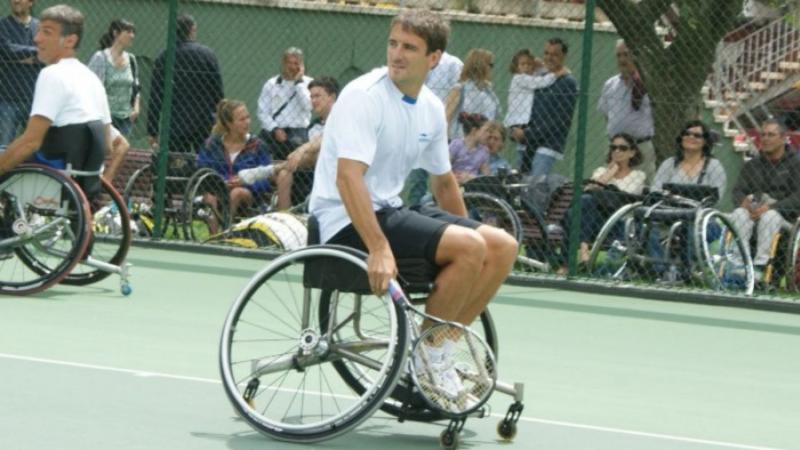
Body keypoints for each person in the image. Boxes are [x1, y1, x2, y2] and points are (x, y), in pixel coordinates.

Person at [308, 10, 517, 398]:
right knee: (470, 248)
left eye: (410, 47)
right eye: (393, 44)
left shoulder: (431, 108)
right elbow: (347, 177)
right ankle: (427, 359)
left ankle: (440, 347)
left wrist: (474, 250)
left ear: (433, 58)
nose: (397, 54)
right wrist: (378, 247)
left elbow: (443, 182)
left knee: (501, 246)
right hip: (344, 220)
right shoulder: (363, 96)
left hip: (391, 210)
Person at [0, 4, 111, 200]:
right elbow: (109, 145)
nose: (36, 39)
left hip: (54, 171)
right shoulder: (91, 78)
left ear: (70, 40)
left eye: (46, 32)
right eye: (38, 31)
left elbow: (30, 142)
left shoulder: (52, 74)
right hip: (84, 176)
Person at [558, 133, 646, 275]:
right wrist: (612, 171)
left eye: (622, 148)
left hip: (617, 223)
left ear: (632, 152)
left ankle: (566, 264)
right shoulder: (600, 171)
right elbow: (590, 190)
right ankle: (584, 251)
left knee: (572, 214)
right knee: (586, 201)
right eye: (614, 147)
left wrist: (602, 188)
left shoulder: (638, 175)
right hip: (594, 222)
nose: (617, 151)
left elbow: (624, 199)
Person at [649, 120, 727, 281]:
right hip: (668, 216)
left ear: (705, 141)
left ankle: (684, 271)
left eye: (697, 135)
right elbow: (655, 190)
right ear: (681, 138)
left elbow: (716, 197)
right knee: (650, 228)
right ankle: (661, 271)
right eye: (687, 134)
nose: (691, 137)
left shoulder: (713, 166)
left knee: (690, 229)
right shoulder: (669, 164)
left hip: (702, 220)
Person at [147, 13, 223, 176]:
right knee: (205, 165)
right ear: (192, 30)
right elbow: (218, 94)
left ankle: (165, 198)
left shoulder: (164, 57)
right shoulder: (208, 55)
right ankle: (203, 197)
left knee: (173, 168)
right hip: (203, 122)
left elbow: (155, 97)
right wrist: (221, 121)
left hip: (175, 124)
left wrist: (152, 130)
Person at [730, 119, 800, 281]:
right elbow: (738, 190)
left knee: (770, 216)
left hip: (786, 218)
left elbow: (798, 197)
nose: (766, 138)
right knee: (739, 213)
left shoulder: (796, 164)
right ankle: (739, 262)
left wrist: (772, 207)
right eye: (763, 134)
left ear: (783, 138)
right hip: (753, 212)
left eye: (771, 135)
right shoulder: (752, 165)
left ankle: (760, 266)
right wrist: (744, 203)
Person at [197, 99, 271, 229]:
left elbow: (266, 177)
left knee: (236, 193)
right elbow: (202, 170)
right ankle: (215, 239)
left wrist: (245, 181)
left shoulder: (258, 145)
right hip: (218, 190)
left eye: (248, 117)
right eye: (241, 120)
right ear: (229, 124)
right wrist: (222, 182)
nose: (247, 122)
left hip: (248, 194)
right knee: (209, 198)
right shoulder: (211, 144)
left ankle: (226, 231)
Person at [511, 38, 578, 177]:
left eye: (554, 54)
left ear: (563, 56)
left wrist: (528, 134)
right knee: (518, 186)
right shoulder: (537, 78)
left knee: (535, 188)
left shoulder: (567, 82)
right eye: (546, 53)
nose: (549, 57)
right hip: (526, 142)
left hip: (547, 145)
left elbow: (561, 120)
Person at [407, 49, 464, 205]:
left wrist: (440, 122)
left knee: (439, 177)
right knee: (417, 177)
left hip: (443, 133)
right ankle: (414, 210)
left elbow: (456, 94)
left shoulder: (454, 63)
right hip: (418, 129)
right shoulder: (417, 60)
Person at [273, 75, 338, 210]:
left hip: (340, 173)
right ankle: (285, 217)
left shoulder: (345, 116)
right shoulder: (312, 128)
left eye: (317, 96)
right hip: (312, 176)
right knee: (284, 173)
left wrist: (301, 150)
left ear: (332, 97)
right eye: (311, 97)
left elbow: (326, 139)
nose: (313, 100)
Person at [597, 40, 656, 181]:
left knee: (642, 189)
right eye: (619, 56)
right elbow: (606, 114)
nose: (622, 59)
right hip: (616, 149)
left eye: (626, 55)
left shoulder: (648, 85)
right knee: (611, 186)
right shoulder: (610, 84)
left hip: (641, 147)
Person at [257, 47, 313, 162]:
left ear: (302, 65)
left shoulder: (309, 83)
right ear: (283, 64)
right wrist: (275, 128)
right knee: (258, 147)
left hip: (297, 131)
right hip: (273, 129)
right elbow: (262, 112)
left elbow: (308, 106)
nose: (292, 67)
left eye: (296, 63)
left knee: (296, 151)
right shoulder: (271, 84)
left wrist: (298, 83)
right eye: (289, 63)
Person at [0, 0, 43, 148]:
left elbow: (45, 53)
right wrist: (34, 51)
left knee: (32, 147)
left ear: (31, 2)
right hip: (8, 98)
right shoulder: (2, 26)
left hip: (34, 99)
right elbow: (6, 50)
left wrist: (13, 59)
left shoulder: (39, 27)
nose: (16, 1)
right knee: (4, 147)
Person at [87, 18, 139, 137]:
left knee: (121, 150)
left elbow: (136, 86)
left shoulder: (131, 59)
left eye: (133, 32)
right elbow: (91, 88)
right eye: (128, 32)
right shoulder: (101, 58)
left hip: (126, 118)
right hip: (105, 117)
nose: (132, 36)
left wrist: (136, 108)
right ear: (115, 33)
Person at [444, 48, 500, 141]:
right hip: (461, 142)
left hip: (484, 142)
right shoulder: (460, 88)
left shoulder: (488, 91)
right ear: (481, 66)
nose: (492, 68)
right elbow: (446, 116)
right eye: (490, 65)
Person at [449, 112, 490, 184]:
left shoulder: (484, 151)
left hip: (472, 186)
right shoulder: (456, 145)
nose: (488, 135)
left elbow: (487, 176)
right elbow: (444, 168)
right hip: (452, 184)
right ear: (474, 130)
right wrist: (455, 177)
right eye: (486, 131)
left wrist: (471, 177)